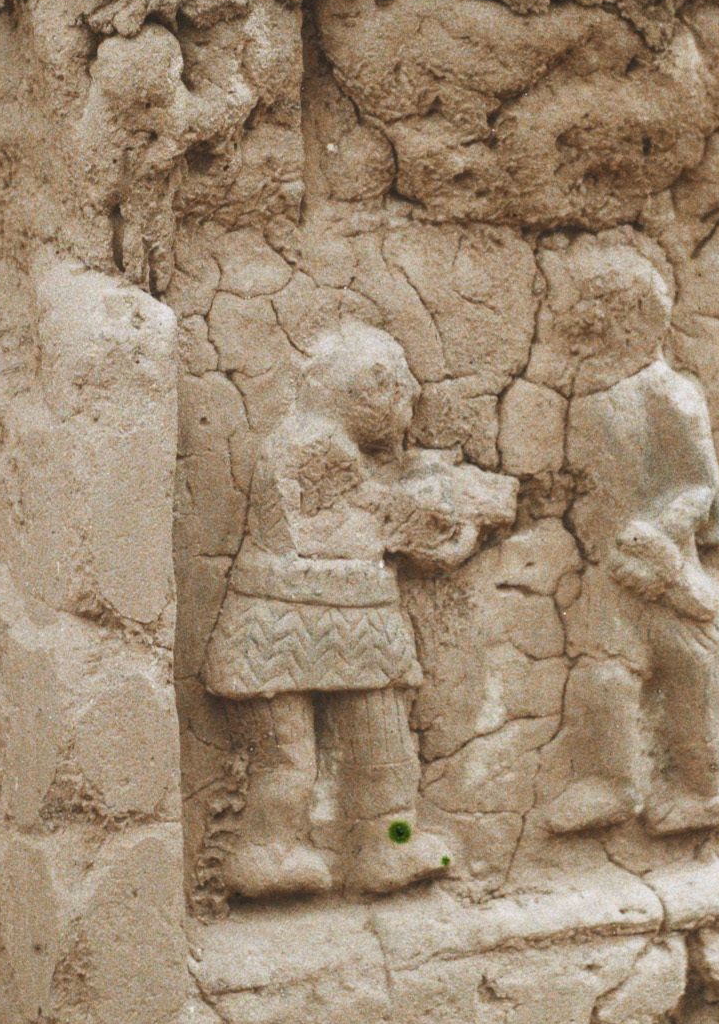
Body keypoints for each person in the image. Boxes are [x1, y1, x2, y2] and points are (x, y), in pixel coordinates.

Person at [202, 322, 515, 898]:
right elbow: (375, 517)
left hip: (338, 622)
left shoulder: (322, 440)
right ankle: (275, 850)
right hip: (293, 623)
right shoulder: (311, 444)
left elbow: (378, 499)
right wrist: (457, 515)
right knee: (301, 760)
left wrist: (436, 498)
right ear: (367, 394)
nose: (406, 417)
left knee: (372, 753)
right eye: (401, 400)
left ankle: (388, 841)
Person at [537, 235, 719, 838]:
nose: (581, 324)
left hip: (666, 574)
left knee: (689, 691)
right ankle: (615, 783)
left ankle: (705, 793)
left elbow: (698, 486)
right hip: (611, 577)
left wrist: (661, 534)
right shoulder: (590, 394)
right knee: (602, 680)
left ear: (634, 321)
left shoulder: (668, 393)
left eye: (597, 312)